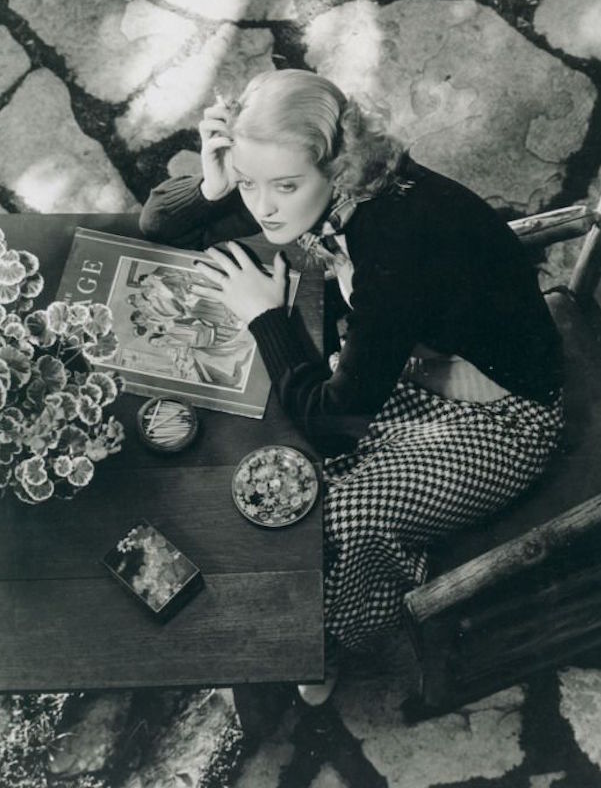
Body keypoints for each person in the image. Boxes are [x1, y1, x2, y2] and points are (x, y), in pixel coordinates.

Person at [139, 69, 564, 705]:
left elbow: (334, 425)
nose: (263, 207)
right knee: (273, 461)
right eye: (249, 183)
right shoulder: (316, 182)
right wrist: (213, 182)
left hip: (507, 416)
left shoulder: (394, 245)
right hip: (419, 363)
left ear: (337, 164)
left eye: (284, 186)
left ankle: (329, 643)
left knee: (331, 516)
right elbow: (156, 225)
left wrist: (266, 319)